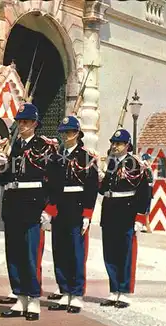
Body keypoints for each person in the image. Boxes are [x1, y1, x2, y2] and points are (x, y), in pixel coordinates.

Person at [0, 103, 61, 321]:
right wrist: (0, 166)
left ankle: (33, 299)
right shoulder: (13, 147)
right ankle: (20, 296)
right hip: (13, 206)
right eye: (19, 122)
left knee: (30, 255)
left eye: (25, 122)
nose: (21, 125)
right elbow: (3, 180)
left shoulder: (45, 147)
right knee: (13, 254)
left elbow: (56, 182)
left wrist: (49, 209)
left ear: (34, 124)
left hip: (32, 206)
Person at [48, 115, 99, 313]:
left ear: (77, 134)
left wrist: (87, 214)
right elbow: (50, 185)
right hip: (59, 209)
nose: (65, 136)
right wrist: (50, 208)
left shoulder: (86, 157)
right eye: (63, 132)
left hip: (77, 209)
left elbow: (92, 187)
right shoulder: (55, 158)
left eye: (69, 132)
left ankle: (76, 293)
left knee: (76, 253)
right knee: (59, 251)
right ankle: (64, 290)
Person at [98, 128, 149, 309]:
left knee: (124, 255)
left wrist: (139, 218)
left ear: (127, 145)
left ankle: (125, 292)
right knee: (109, 253)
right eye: (113, 143)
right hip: (110, 212)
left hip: (126, 213)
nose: (115, 146)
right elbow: (103, 190)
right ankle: (114, 290)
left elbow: (144, 193)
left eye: (118, 143)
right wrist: (101, 175)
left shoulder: (134, 164)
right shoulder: (111, 163)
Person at [140, 153, 154, 234]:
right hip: (145, 191)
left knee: (147, 209)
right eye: (149, 160)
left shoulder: (148, 169)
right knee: (145, 209)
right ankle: (144, 225)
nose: (150, 161)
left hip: (149, 190)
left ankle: (145, 225)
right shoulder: (144, 169)